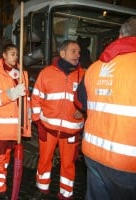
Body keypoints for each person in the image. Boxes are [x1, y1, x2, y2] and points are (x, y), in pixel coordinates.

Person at [75, 17, 136, 200]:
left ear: (120, 35)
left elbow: (80, 101)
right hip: (128, 162)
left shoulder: (95, 68)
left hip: (94, 155)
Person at [31, 40, 85, 200]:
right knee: (44, 160)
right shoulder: (46, 73)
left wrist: (83, 110)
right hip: (48, 128)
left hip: (71, 131)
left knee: (68, 164)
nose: (78, 55)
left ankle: (66, 193)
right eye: (74, 51)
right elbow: (35, 99)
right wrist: (38, 122)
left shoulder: (84, 75)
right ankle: (42, 188)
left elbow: (92, 100)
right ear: (62, 53)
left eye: (79, 52)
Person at [0, 43, 31, 199]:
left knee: (6, 156)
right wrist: (10, 94)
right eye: (12, 53)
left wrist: (28, 113)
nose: (15, 56)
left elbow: (26, 100)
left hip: (16, 126)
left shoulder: (22, 74)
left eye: (17, 54)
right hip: (1, 125)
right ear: (4, 55)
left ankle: (0, 176)